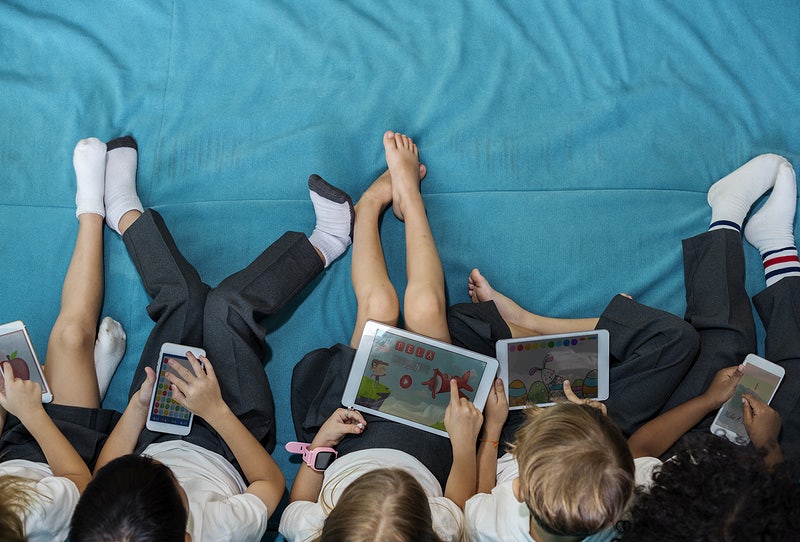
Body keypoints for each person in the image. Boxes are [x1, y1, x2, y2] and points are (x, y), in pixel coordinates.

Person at [69, 135, 355, 542]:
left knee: (184, 301)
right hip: (230, 435)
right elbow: (270, 483)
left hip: (152, 428)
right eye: (173, 483)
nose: (169, 470)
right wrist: (215, 410)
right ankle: (326, 243)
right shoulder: (222, 529)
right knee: (227, 309)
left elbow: (104, 474)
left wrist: (137, 407)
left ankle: (124, 212)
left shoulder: (108, 525)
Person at [279, 131, 486, 542]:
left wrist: (323, 440)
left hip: (354, 423)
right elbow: (456, 505)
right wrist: (464, 446)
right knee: (425, 306)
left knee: (379, 308)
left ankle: (368, 207)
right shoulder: (442, 530)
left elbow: (299, 504)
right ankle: (410, 197)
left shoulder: (310, 531)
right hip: (431, 436)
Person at [0, 137, 128, 542]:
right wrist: (32, 414)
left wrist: (5, 407)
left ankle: (91, 379)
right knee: (71, 335)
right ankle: (91, 209)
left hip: (10, 442)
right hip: (64, 455)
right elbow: (80, 480)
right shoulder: (41, 519)